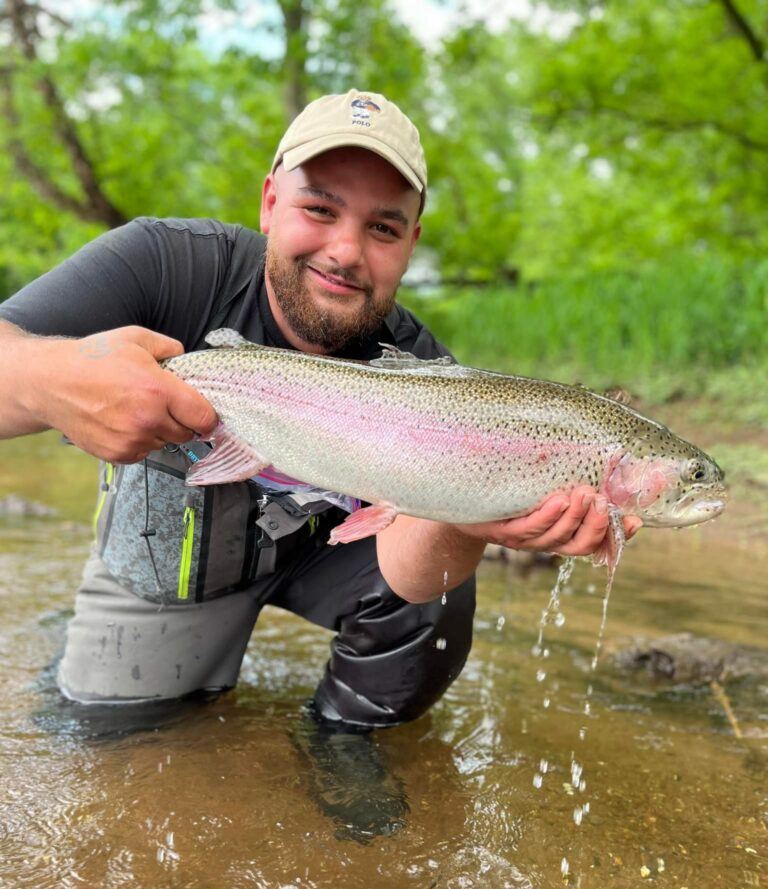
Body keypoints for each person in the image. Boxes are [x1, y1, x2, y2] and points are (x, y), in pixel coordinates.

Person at [0, 89, 640, 730]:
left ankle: (341, 749)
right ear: (271, 201)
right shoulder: (166, 264)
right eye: (320, 209)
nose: (345, 251)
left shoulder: (422, 366)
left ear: (411, 243)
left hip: (324, 557)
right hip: (174, 562)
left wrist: (471, 518)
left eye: (382, 228)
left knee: (444, 593)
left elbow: (411, 580)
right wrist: (55, 380)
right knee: (111, 738)